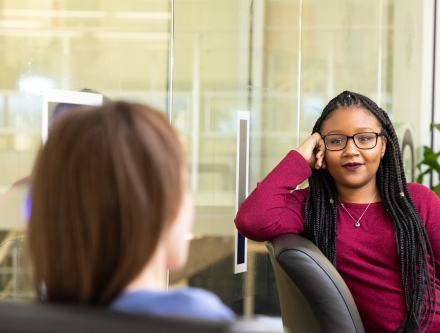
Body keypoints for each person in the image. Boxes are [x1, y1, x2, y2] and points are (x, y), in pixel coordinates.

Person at [235, 91, 440, 333]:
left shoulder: (417, 200)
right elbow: (252, 220)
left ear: (383, 146)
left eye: (365, 138)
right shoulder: (309, 207)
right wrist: (300, 159)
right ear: (320, 149)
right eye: (335, 141)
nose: (351, 150)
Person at [27, 101, 235, 321]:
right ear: (151, 212)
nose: (190, 206)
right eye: (184, 188)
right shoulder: (198, 317)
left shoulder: (27, 322)